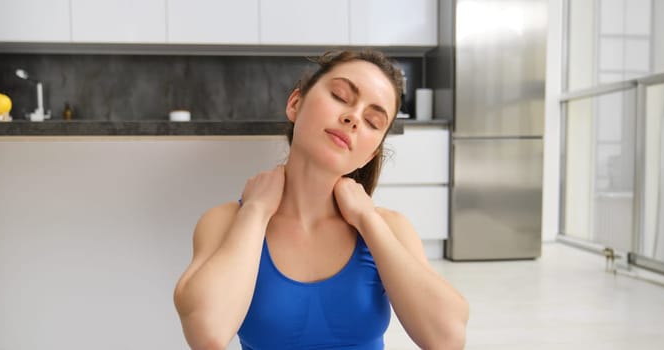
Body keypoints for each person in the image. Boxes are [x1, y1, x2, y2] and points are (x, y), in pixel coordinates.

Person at [173, 49, 469, 350]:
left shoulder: (390, 228)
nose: (353, 118)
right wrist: (256, 212)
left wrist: (368, 220)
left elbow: (448, 338)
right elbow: (206, 333)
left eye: (372, 121)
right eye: (340, 96)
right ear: (295, 103)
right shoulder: (225, 222)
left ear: (369, 153)